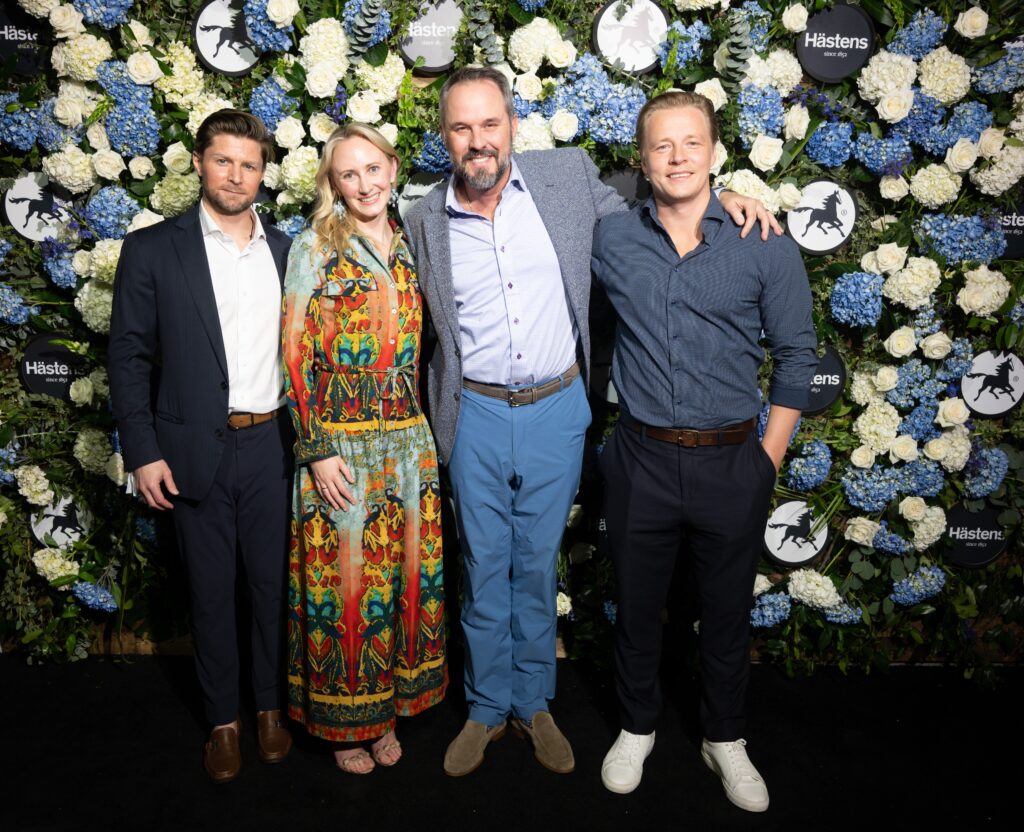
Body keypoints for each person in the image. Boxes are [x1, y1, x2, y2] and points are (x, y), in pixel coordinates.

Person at [403, 66, 780, 778]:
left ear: (512, 124)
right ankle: (487, 708)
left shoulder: (565, 178)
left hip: (555, 408)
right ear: (444, 137)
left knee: (536, 563)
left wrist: (722, 196)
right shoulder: (423, 219)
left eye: (490, 124)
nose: (478, 140)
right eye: (462, 127)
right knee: (484, 566)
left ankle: (535, 703)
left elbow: (659, 213)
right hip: (474, 410)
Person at [591, 91, 818, 810]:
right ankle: (636, 725)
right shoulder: (611, 239)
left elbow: (797, 354)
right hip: (642, 457)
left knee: (724, 611)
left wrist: (767, 458)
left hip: (732, 461)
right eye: (662, 145)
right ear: (642, 158)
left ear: (716, 153)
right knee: (635, 605)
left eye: (692, 142)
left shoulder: (763, 240)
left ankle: (726, 738)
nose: (678, 156)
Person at [108, 110, 294, 783]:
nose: (236, 175)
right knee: (212, 592)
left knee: (272, 586)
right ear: (198, 162)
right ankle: (223, 719)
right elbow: (128, 357)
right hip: (192, 453)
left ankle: (270, 707)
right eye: (224, 161)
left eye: (249, 164)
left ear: (263, 173)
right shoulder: (155, 249)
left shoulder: (286, 250)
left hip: (272, 444)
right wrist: (143, 452)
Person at [281, 123, 446, 775]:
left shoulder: (410, 244)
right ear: (333, 183)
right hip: (341, 443)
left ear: (392, 167)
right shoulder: (314, 245)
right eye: (349, 174)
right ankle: (344, 726)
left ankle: (387, 712)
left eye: (373, 169)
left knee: (401, 582)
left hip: (409, 440)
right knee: (348, 591)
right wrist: (317, 449)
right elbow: (293, 354)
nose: (365, 184)